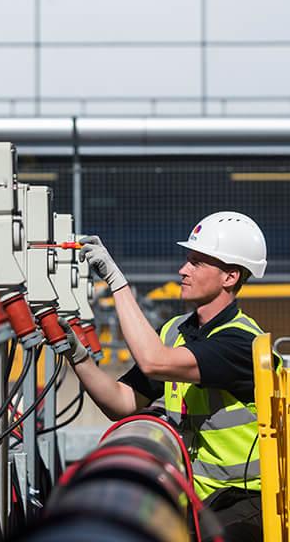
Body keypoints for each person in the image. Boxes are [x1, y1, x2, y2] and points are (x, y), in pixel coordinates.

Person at [62, 211, 270, 542]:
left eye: (197, 263)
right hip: (194, 496)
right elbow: (123, 403)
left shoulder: (242, 343)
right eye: (187, 260)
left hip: (247, 503)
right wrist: (76, 355)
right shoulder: (175, 332)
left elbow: (153, 362)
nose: (182, 271)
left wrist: (116, 283)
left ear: (230, 277)